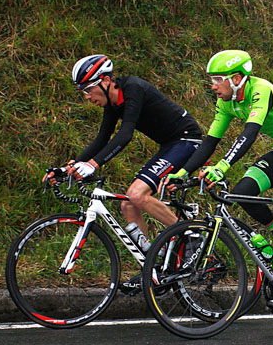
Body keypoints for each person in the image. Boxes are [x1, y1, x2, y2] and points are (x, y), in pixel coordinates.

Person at [164, 50, 273, 310]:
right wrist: (182, 173)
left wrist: (222, 167)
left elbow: (249, 134)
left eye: (218, 80)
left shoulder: (261, 90)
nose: (213, 86)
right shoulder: (226, 102)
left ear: (237, 78)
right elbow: (210, 142)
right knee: (243, 191)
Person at [44, 54, 203, 293]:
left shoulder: (133, 89)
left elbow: (125, 135)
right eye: (83, 92)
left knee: (137, 195)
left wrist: (93, 165)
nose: (87, 97)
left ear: (106, 80)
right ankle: (154, 269)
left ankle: (192, 235)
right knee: (129, 205)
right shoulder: (112, 102)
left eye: (89, 89)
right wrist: (70, 168)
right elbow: (102, 139)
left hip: (186, 140)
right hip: (169, 145)